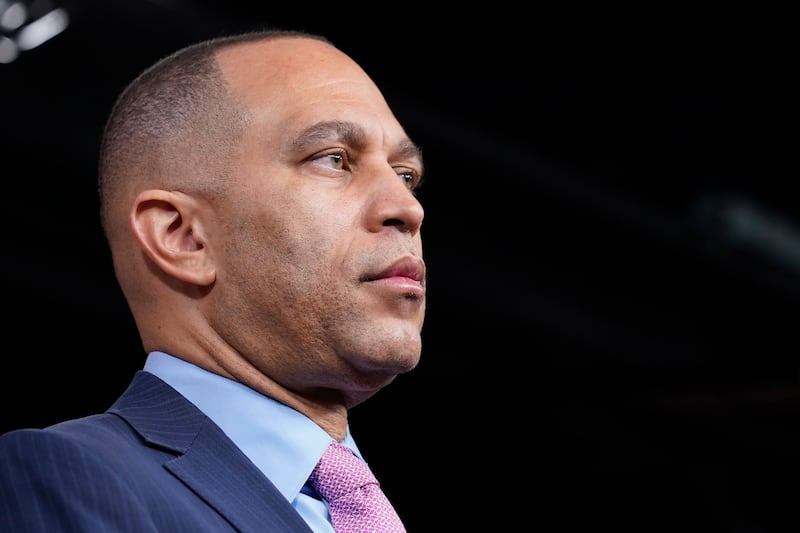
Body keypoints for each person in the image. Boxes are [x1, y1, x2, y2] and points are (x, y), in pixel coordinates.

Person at [0, 28, 426, 532]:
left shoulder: (355, 508)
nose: (407, 208)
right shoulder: (65, 475)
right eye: (333, 159)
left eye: (404, 174)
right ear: (184, 237)